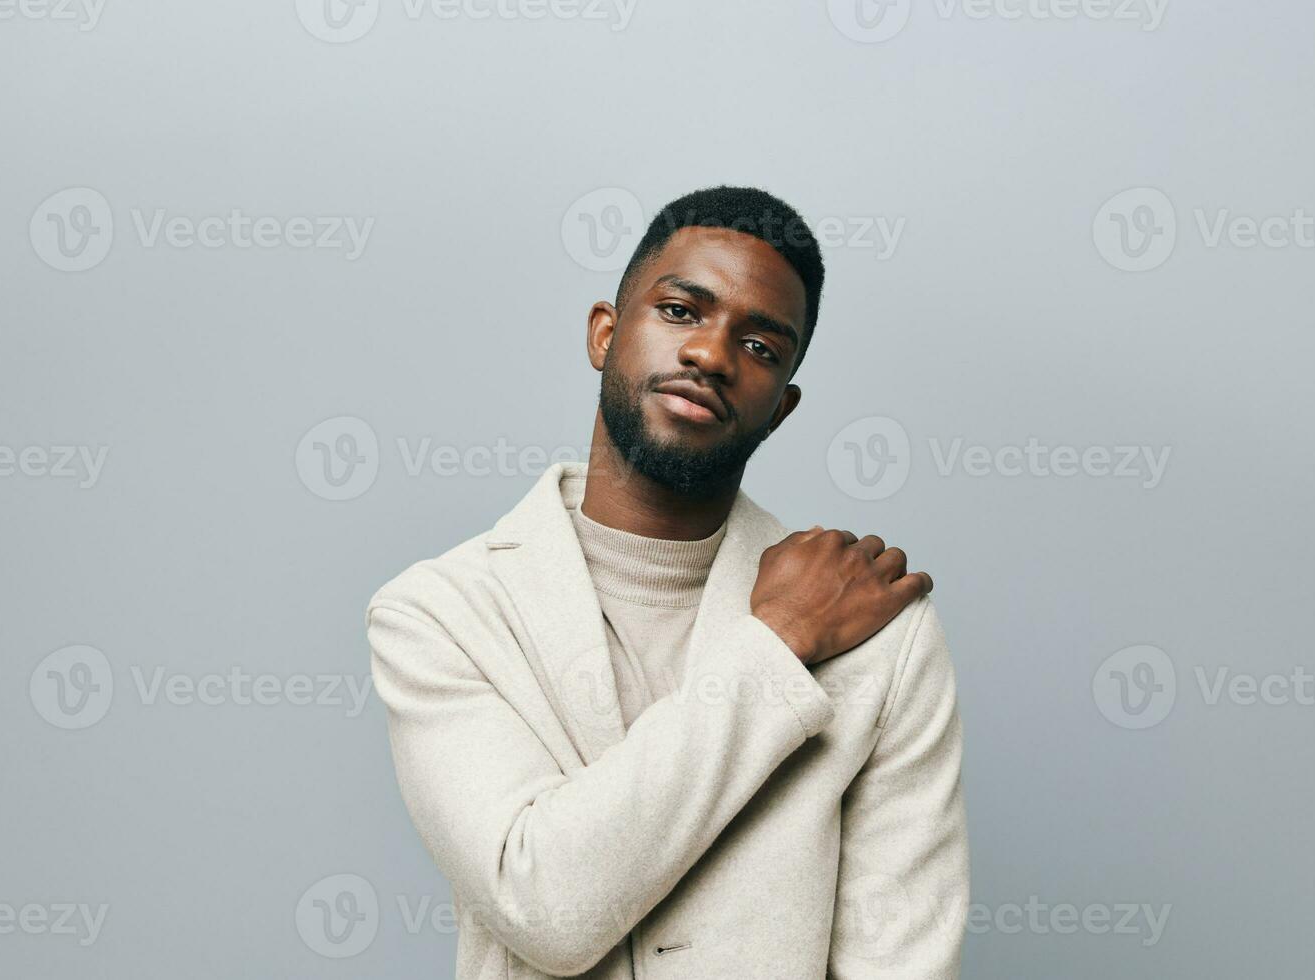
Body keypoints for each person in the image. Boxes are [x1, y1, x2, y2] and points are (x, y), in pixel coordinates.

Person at [366, 185, 969, 978]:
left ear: (782, 407)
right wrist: (778, 642)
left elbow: (902, 963)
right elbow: (544, 907)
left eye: (759, 347)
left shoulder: (880, 634)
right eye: (682, 311)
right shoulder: (441, 614)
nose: (712, 356)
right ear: (605, 334)